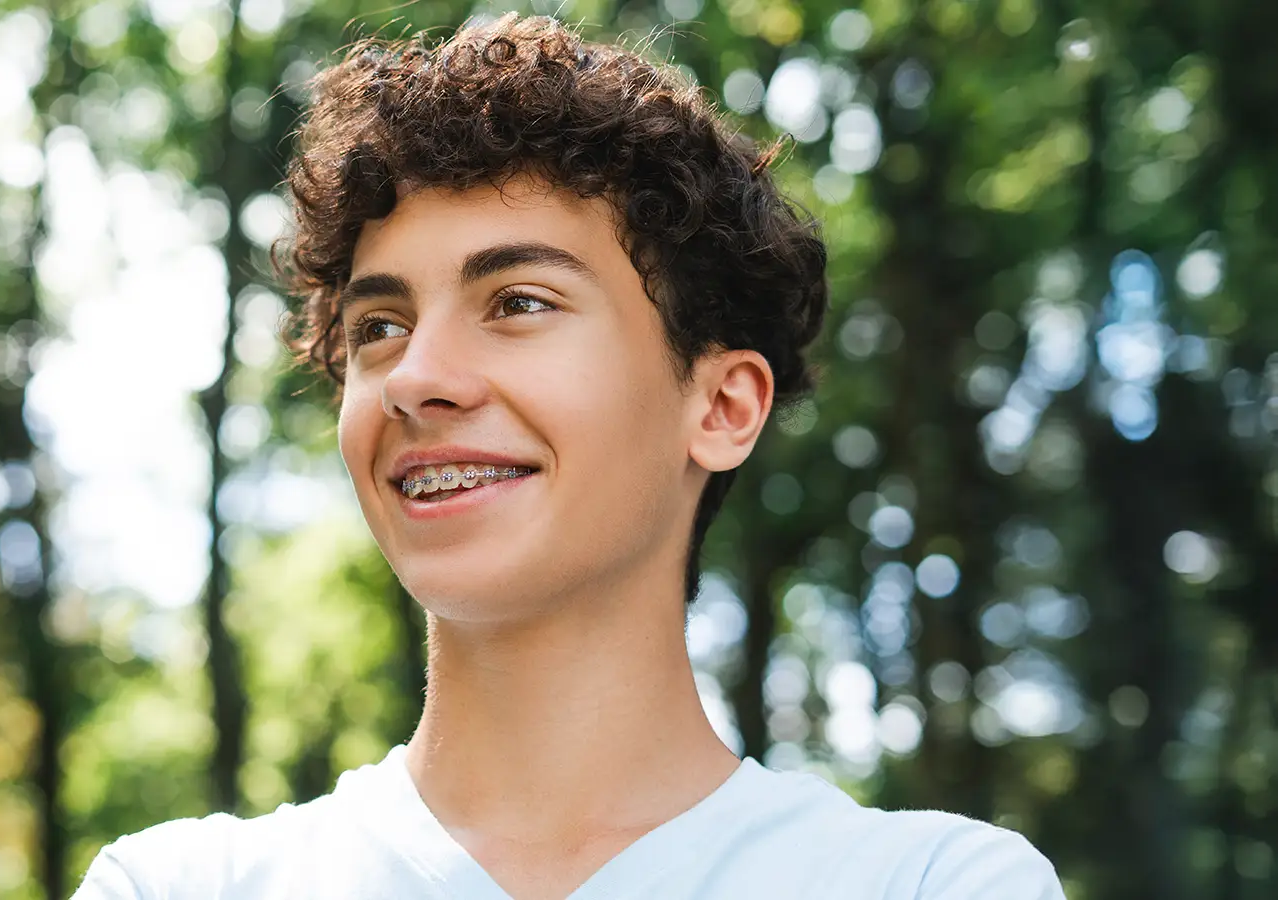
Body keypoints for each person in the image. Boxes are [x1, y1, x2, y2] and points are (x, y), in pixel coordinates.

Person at [70, 12, 1067, 900]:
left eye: (517, 303)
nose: (417, 377)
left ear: (720, 406)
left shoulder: (927, 884)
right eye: (379, 325)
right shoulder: (173, 886)